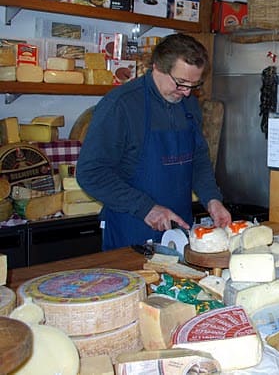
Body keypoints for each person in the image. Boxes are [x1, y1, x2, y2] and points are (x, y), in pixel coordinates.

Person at [77, 33, 232, 250]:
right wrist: (146, 208)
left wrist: (212, 200)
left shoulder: (189, 105)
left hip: (179, 231)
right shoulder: (121, 105)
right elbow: (90, 173)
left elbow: (198, 161)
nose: (186, 92)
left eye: (194, 85)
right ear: (157, 67)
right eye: (181, 83)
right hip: (131, 230)